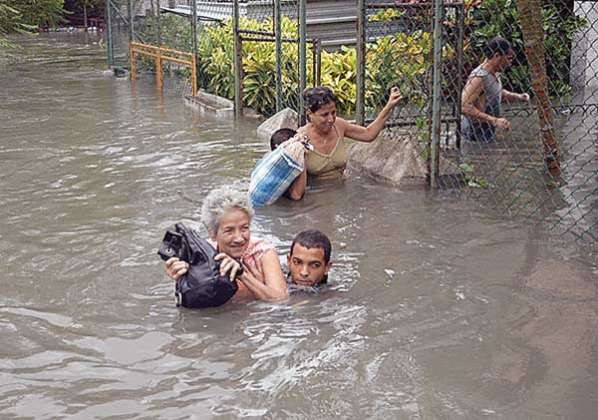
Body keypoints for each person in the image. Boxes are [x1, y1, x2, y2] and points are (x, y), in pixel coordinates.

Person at [164, 186, 288, 302]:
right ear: (212, 233)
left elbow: (281, 300)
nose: (239, 238)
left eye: (244, 228)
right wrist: (182, 280)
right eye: (229, 230)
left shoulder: (263, 252)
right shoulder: (201, 256)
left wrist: (242, 275)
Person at [285, 85, 402, 200]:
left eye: (334, 112)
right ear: (309, 113)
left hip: (341, 192)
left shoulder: (339, 126)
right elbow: (296, 194)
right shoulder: (300, 140)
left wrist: (389, 106)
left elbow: (368, 134)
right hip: (315, 198)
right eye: (324, 115)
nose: (331, 119)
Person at [461, 36, 530, 142]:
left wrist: (518, 96)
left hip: (485, 133)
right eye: (508, 58)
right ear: (497, 56)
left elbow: (496, 92)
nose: (510, 63)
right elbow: (464, 106)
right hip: (473, 134)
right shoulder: (479, 77)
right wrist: (494, 120)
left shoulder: (496, 72)